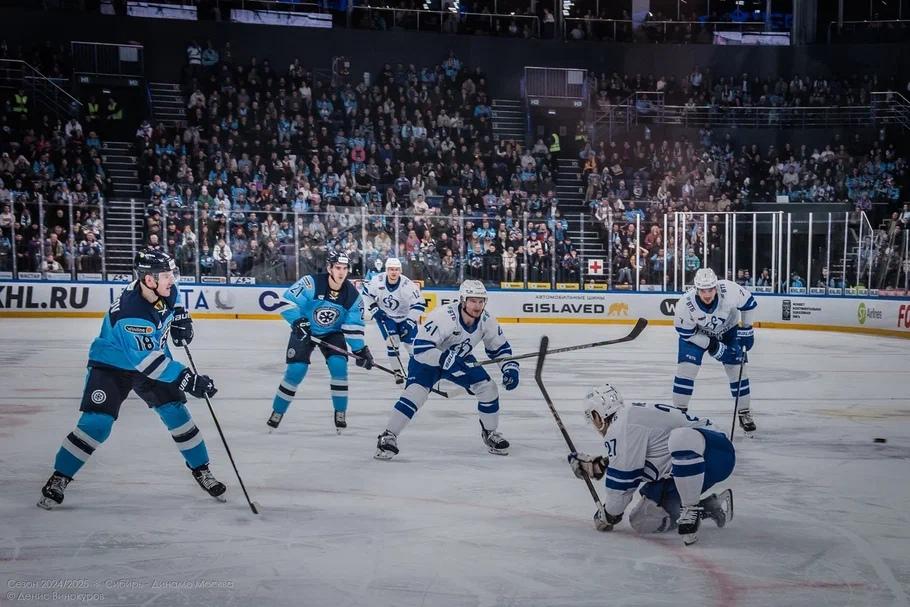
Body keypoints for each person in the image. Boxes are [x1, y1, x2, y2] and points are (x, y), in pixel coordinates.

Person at [37, 249, 222, 510]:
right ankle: (60, 477)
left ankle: (201, 470)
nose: (173, 280)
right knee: (96, 424)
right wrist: (187, 380)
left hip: (151, 358)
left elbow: (173, 306)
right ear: (149, 280)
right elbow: (148, 363)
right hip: (112, 365)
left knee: (177, 415)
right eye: (167, 275)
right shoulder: (131, 313)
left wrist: (181, 318)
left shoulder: (162, 289)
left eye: (172, 274)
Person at [567, 384, 735, 545]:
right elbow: (637, 462)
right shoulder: (628, 421)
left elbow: (621, 487)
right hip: (688, 468)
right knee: (643, 520)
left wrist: (608, 515)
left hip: (716, 451)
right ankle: (708, 507)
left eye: (592, 417)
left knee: (680, 439)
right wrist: (598, 466)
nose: (594, 425)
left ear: (598, 415)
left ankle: (690, 508)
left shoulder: (622, 424)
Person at [374, 280, 519, 459]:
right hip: (427, 362)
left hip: (459, 360)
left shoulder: (486, 320)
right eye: (473, 301)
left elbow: (500, 348)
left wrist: (509, 367)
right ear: (463, 300)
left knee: (488, 388)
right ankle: (388, 436)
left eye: (481, 301)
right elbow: (420, 349)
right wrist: (444, 358)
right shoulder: (444, 316)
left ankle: (490, 433)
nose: (478, 306)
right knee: (415, 394)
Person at [267, 251, 372, 433]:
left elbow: (353, 324)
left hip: (332, 333)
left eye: (345, 268)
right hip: (305, 330)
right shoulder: (311, 283)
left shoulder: (353, 296)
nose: (341, 272)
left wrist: (360, 350)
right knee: (296, 370)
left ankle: (340, 412)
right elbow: (286, 301)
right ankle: (278, 411)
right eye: (337, 268)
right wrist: (298, 321)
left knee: (339, 367)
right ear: (329, 268)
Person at [672, 268, 757, 434]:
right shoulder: (685, 304)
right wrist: (713, 346)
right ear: (696, 289)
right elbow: (686, 333)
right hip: (697, 335)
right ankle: (678, 413)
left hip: (729, 330)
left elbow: (749, 303)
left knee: (738, 370)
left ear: (715, 287)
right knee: (686, 370)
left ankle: (744, 412)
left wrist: (747, 329)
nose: (707, 294)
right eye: (703, 290)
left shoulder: (729, 289)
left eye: (710, 289)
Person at [360, 257, 425, 382]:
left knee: (411, 347)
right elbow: (366, 293)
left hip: (405, 318)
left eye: (396, 269)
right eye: (391, 269)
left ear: (400, 270)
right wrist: (374, 309)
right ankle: (397, 372)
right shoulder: (377, 280)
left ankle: (416, 371)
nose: (393, 272)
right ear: (386, 270)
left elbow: (420, 304)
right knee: (393, 343)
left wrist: (410, 321)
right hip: (387, 318)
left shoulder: (408, 285)